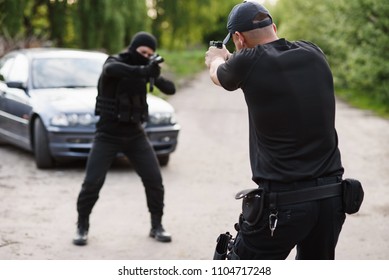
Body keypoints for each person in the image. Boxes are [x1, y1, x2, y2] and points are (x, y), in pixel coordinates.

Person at [205, 1, 345, 260]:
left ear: (238, 38)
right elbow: (266, 59)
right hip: (331, 198)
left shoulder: (247, 62)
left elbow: (219, 75)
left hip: (283, 205)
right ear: (274, 26)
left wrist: (216, 59)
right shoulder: (314, 52)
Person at [73, 31, 175, 246]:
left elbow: (170, 89)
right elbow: (112, 69)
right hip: (107, 135)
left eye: (150, 54)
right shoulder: (114, 62)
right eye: (142, 52)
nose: (146, 56)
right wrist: (144, 69)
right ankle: (82, 225)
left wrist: (154, 73)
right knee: (92, 183)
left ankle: (157, 225)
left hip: (135, 135)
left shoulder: (146, 69)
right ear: (132, 48)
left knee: (154, 180)